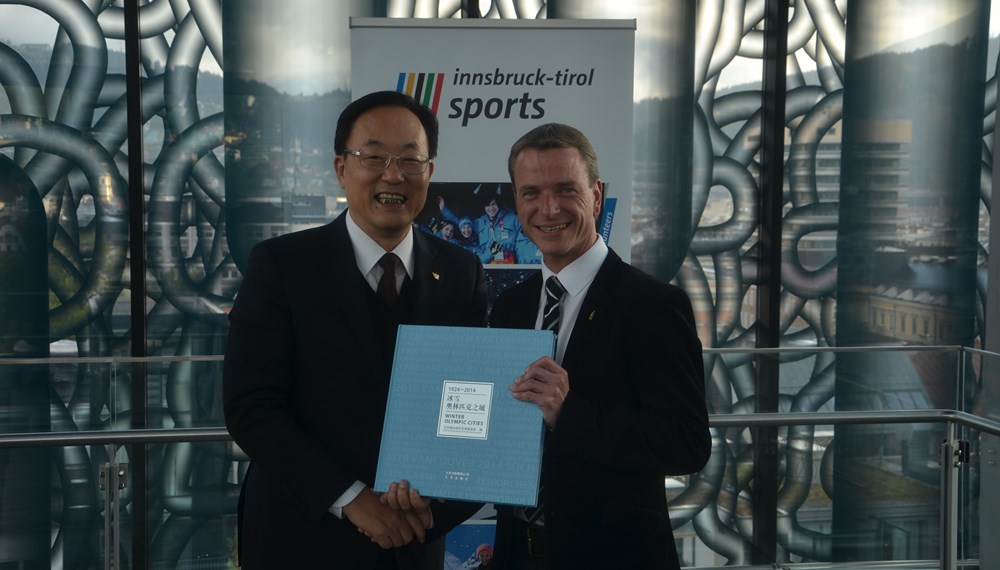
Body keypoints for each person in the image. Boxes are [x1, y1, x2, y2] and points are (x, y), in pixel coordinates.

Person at [223, 91, 488, 569]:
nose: (393, 174)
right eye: (373, 156)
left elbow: (471, 403)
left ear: (429, 171)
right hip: (300, 535)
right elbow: (251, 408)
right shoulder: (282, 266)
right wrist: (352, 499)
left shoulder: (461, 271)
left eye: (410, 159)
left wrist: (434, 512)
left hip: (412, 538)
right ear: (341, 168)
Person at [488, 123, 711, 569]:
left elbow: (687, 444)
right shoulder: (511, 306)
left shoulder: (654, 305)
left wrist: (569, 414)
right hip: (517, 553)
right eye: (531, 192)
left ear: (596, 193)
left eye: (565, 189)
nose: (548, 208)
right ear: (516, 202)